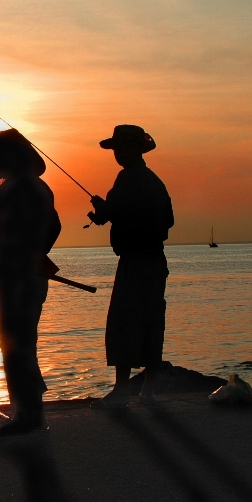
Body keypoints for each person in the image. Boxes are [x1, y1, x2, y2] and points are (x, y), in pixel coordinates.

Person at [0, 128, 61, 437]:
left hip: (20, 278)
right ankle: (27, 410)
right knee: (18, 344)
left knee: (17, 344)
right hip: (18, 276)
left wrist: (26, 253)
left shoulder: (27, 188)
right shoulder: (30, 187)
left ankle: (28, 414)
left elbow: (47, 229)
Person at [86, 125, 173, 406]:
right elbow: (161, 219)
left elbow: (126, 212)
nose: (118, 153)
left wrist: (108, 212)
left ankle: (123, 389)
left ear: (135, 149)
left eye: (122, 148)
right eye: (116, 149)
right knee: (149, 321)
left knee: (125, 322)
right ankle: (148, 388)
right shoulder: (150, 180)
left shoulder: (130, 178)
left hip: (138, 261)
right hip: (151, 261)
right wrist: (107, 214)